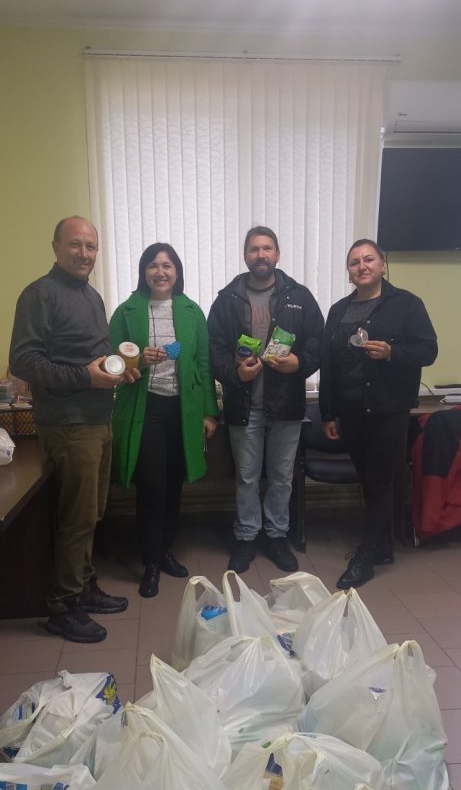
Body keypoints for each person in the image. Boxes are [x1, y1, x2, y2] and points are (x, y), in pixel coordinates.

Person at [9, 215, 134, 643]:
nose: (85, 254)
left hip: (99, 418)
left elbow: (91, 357)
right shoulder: (39, 295)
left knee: (93, 513)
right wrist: (87, 378)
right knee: (76, 518)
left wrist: (118, 370)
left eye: (92, 247)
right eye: (76, 245)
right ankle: (62, 606)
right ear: (56, 247)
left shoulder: (92, 298)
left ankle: (83, 585)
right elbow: (24, 362)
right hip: (68, 424)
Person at [319, 237, 438, 590]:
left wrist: (391, 352)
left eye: (368, 259)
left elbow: (428, 350)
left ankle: (366, 556)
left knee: (380, 482)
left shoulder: (406, 304)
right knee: (369, 480)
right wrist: (328, 413)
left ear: (382, 264)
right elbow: (329, 365)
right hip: (351, 411)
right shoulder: (338, 311)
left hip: (388, 408)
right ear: (349, 272)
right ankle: (383, 545)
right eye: (354, 262)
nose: (362, 266)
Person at [208, 225, 324, 574]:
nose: (261, 254)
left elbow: (318, 343)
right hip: (244, 406)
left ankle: (276, 536)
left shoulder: (299, 297)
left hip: (286, 406)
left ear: (277, 254)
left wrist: (299, 363)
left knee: (281, 476)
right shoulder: (227, 299)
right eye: (255, 249)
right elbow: (213, 351)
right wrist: (234, 371)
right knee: (245, 477)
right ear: (246, 255)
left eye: (267, 248)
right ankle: (246, 538)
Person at [109, 242, 218, 598]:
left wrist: (208, 412)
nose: (161, 271)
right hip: (146, 410)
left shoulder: (191, 311)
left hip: (182, 411)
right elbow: (111, 363)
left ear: (177, 272)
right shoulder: (127, 311)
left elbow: (203, 364)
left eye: (168, 265)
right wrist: (139, 361)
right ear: (144, 272)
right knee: (152, 486)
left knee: (174, 484)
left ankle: (165, 550)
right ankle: (151, 562)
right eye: (153, 265)